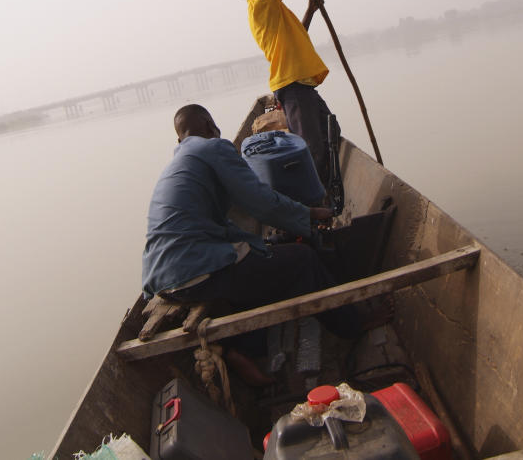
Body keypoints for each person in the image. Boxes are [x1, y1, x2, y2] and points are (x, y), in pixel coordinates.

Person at [141, 104, 360, 344]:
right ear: (208, 125)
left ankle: (243, 353)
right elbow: (262, 203)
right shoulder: (213, 147)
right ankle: (354, 326)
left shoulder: (178, 163)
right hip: (196, 270)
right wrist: (309, 214)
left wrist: (261, 245)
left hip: (160, 279)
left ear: (179, 137)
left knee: (265, 257)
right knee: (303, 259)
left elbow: (222, 223)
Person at [241, 0, 339, 186]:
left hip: (300, 84)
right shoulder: (260, 4)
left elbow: (300, 36)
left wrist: (311, 9)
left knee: (329, 130)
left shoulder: (275, 13)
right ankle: (315, 205)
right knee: (313, 148)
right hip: (292, 85)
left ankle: (323, 190)